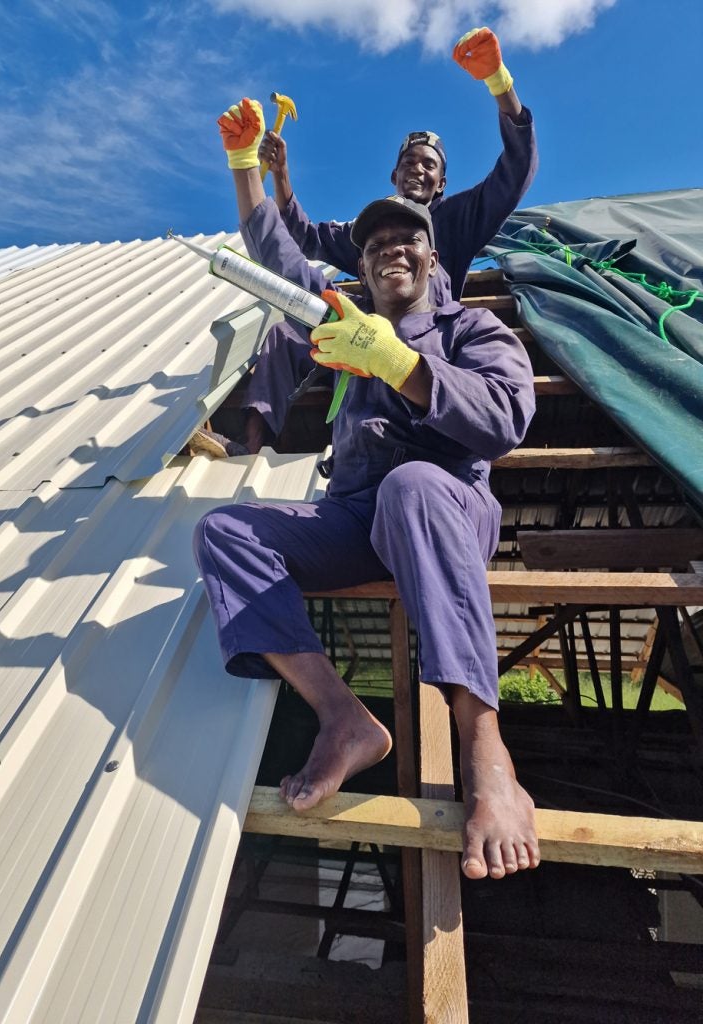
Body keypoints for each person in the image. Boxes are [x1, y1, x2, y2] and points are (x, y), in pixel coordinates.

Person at [193, 94, 540, 881]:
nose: (391, 250)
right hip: (355, 516)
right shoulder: (342, 323)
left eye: (406, 239)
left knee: (411, 486)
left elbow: (504, 420)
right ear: (362, 266)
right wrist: (247, 168)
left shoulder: (471, 330)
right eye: (376, 244)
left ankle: (486, 748)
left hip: (445, 505)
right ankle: (342, 717)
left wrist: (400, 365)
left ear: (433, 257)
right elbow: (277, 256)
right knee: (226, 532)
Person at [190, 26, 537, 458]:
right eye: (409, 162)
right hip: (359, 330)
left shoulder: (457, 220)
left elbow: (516, 170)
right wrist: (276, 176)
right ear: (393, 176)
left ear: (442, 185)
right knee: (285, 334)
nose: (418, 169)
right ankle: (252, 443)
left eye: (429, 165)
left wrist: (500, 84)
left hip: (421, 340)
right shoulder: (367, 231)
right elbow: (302, 241)